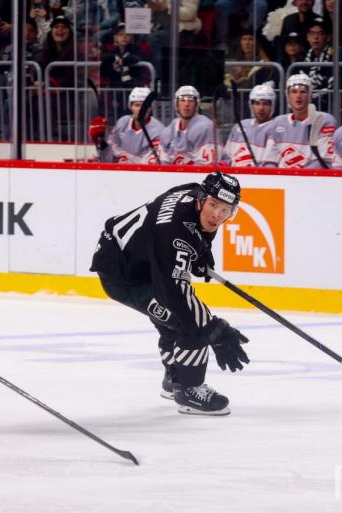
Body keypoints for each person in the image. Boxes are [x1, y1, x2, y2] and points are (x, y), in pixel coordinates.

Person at [89, 171, 249, 415]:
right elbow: (175, 296)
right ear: (201, 200)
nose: (217, 215)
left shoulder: (192, 192)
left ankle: (174, 378)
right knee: (188, 320)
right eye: (213, 205)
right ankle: (188, 390)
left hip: (142, 259)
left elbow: (177, 207)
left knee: (175, 319)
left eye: (226, 210)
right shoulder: (173, 233)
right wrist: (215, 331)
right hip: (123, 275)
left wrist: (201, 252)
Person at [261, 73, 337, 169]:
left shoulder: (324, 120)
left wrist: (296, 176)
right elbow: (269, 162)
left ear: (310, 95)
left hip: (310, 177)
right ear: (287, 96)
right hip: (282, 177)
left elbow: (323, 161)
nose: (298, 96)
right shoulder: (278, 123)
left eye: (303, 91)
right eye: (294, 91)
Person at [89, 87, 166, 164]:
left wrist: (124, 158)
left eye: (145, 106)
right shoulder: (122, 123)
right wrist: (101, 143)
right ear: (130, 107)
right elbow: (110, 157)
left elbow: (151, 164)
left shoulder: (159, 131)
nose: (141, 109)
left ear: (151, 108)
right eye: (137, 105)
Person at [158, 85, 217, 165]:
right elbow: (162, 164)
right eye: (182, 100)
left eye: (191, 100)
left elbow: (206, 165)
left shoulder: (206, 127)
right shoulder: (169, 130)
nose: (186, 104)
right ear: (176, 104)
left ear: (196, 104)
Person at [224, 83, 276, 166]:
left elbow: (270, 165)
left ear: (272, 105)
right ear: (251, 105)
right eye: (257, 103)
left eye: (265, 104)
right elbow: (226, 158)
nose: (261, 108)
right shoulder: (240, 126)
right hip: (234, 172)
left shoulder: (276, 128)